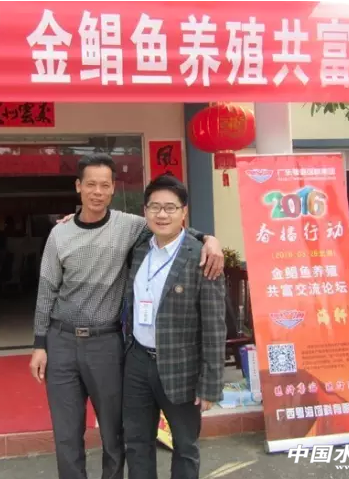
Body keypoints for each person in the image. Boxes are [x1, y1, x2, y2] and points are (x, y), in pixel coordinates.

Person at [29, 153, 224, 479]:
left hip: (110, 344)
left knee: (119, 434)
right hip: (72, 343)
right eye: (90, 184)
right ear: (78, 187)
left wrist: (209, 239)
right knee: (74, 434)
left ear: (113, 189)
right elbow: (46, 290)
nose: (97, 192)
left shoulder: (132, 228)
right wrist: (39, 343)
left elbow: (172, 226)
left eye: (104, 185)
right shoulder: (65, 235)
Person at [122, 174, 227, 479]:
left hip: (182, 367)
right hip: (137, 362)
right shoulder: (139, 248)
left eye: (170, 207)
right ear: (145, 211)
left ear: (184, 212)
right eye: (155, 207)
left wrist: (210, 383)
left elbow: (214, 326)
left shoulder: (203, 258)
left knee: (185, 445)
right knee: (137, 442)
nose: (162, 214)